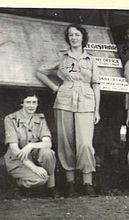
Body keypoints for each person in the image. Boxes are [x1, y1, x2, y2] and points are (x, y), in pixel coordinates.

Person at [36, 23, 101, 197]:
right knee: (66, 143)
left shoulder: (91, 59)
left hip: (87, 103)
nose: (73, 38)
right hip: (64, 102)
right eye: (71, 35)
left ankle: (88, 183)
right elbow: (41, 71)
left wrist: (96, 110)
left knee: (85, 144)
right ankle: (70, 183)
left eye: (77, 35)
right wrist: (55, 88)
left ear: (83, 37)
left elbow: (96, 85)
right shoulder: (62, 57)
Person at [4, 90, 58, 199]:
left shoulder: (40, 118)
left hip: (34, 155)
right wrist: (34, 168)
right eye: (28, 102)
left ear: (37, 104)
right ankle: (19, 185)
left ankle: (50, 187)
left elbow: (48, 143)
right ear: (22, 103)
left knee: (47, 152)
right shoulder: (10, 119)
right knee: (40, 179)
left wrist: (31, 146)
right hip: (18, 160)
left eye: (34, 102)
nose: (31, 106)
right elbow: (14, 149)